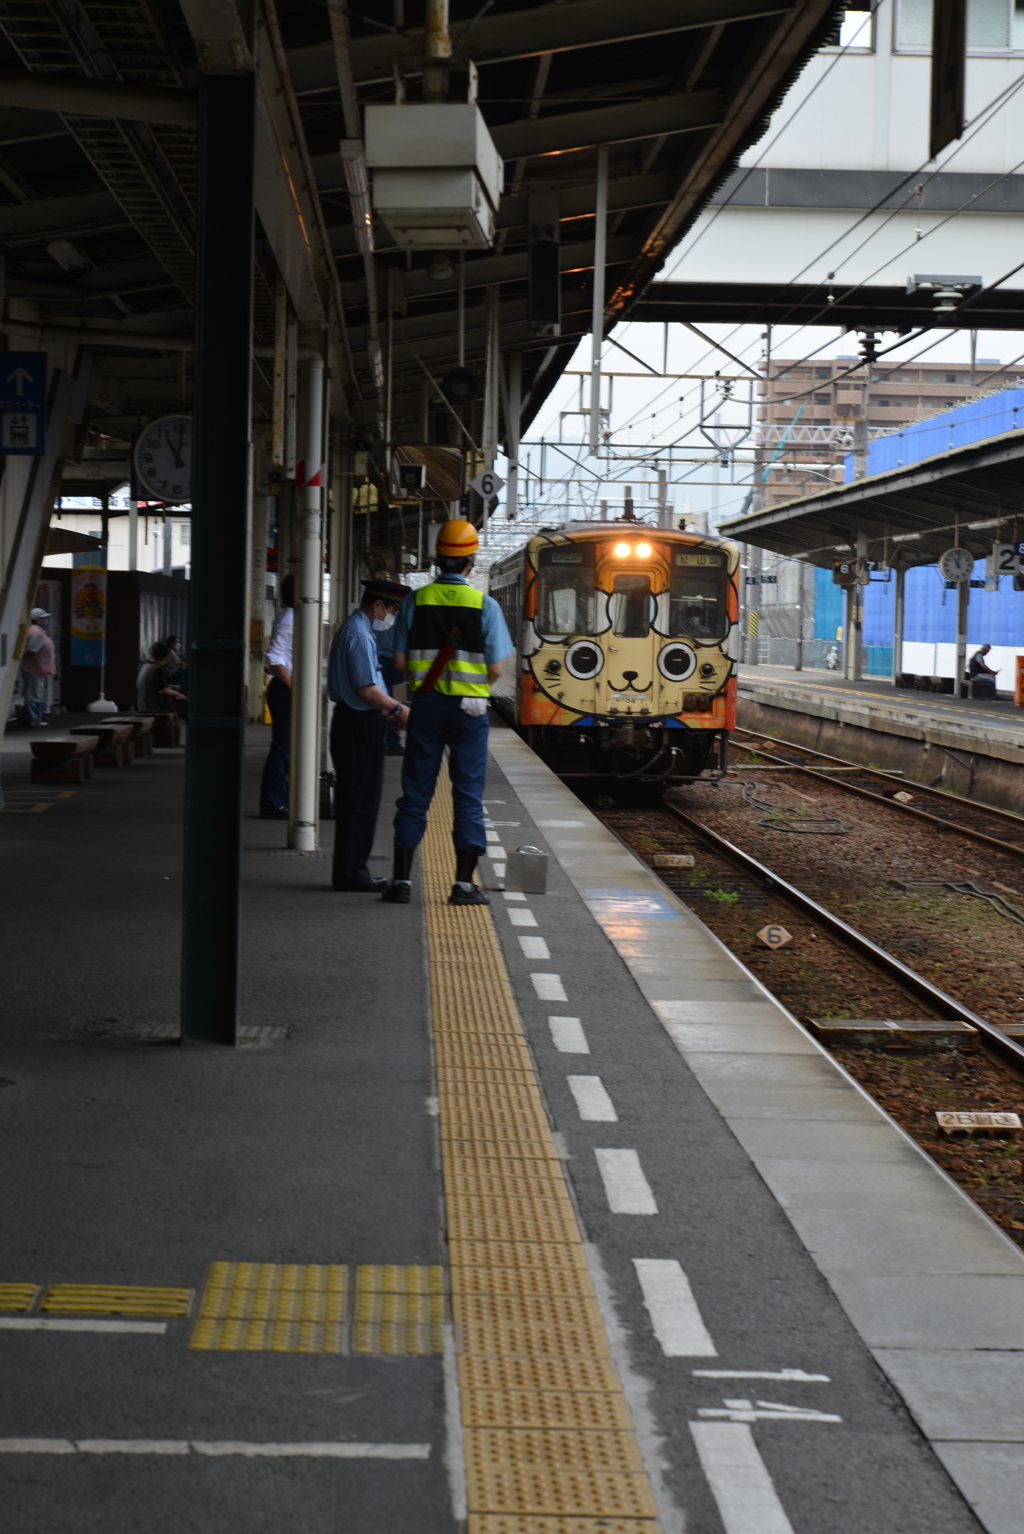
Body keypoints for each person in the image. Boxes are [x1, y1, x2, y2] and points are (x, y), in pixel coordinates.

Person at [382, 518, 514, 908]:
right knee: (468, 795)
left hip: (426, 705)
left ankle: (402, 881)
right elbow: (495, 669)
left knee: (416, 793)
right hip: (469, 712)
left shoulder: (415, 601)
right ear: (471, 560)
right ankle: (463, 885)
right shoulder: (484, 605)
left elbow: (401, 661)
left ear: (437, 558)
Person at [327, 577, 410, 892]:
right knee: (359, 800)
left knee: (357, 798)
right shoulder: (359, 635)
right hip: (357, 725)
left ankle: (351, 870)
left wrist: (386, 710)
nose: (390, 616)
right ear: (377, 605)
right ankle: (352, 874)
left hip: (357, 723)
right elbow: (366, 689)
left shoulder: (356, 630)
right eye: (390, 609)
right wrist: (398, 709)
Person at [259, 575, 294, 821]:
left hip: (287, 689)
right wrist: (293, 686)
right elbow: (274, 657)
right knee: (282, 747)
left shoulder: (295, 617)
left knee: (288, 747)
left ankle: (281, 798)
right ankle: (272, 802)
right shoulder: (290, 619)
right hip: (284, 690)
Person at [374, 588, 406, 757]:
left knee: (377, 703)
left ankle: (379, 740)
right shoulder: (398, 618)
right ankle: (393, 741)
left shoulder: (372, 618)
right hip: (395, 665)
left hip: (375, 664)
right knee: (395, 703)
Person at [21, 606, 56, 727]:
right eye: (44, 618)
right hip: (33, 669)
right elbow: (31, 649)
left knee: (35, 694)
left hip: (38, 669)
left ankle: (34, 718)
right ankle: (33, 719)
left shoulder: (37, 631)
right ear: (38, 620)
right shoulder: (35, 632)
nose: (46, 620)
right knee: (32, 695)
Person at [137, 640, 186, 715]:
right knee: (183, 705)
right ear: (166, 657)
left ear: (151, 654)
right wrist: (177, 693)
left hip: (143, 707)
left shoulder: (145, 666)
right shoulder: (157, 669)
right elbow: (162, 691)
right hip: (154, 709)